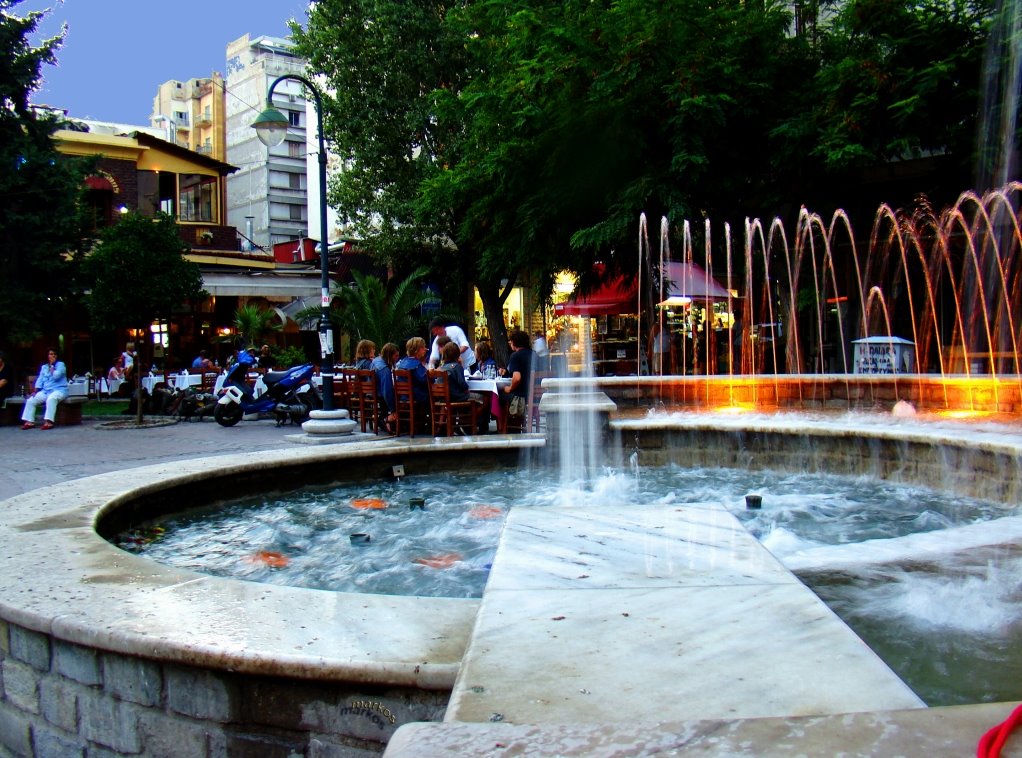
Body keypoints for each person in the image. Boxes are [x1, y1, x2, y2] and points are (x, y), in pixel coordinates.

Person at [439, 341, 487, 432]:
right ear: (457, 354)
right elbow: (463, 385)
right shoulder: (457, 367)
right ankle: (465, 421)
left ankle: (463, 422)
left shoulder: (441, 367)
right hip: (456, 397)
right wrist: (461, 365)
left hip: (442, 398)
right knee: (485, 399)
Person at [21, 348, 68, 430]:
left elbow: (56, 376)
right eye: (50, 354)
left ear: (57, 356)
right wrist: (35, 390)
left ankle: (49, 422)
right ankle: (29, 422)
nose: (52, 356)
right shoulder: (44, 367)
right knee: (31, 400)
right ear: (47, 356)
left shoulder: (61, 365)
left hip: (59, 390)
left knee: (51, 399)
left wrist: (53, 367)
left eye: (54, 354)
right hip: (46, 391)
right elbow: (40, 379)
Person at [501, 329, 535, 420]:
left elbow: (517, 378)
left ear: (514, 342)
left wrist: (509, 388)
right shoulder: (535, 355)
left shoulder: (515, 356)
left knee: (498, 395)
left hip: (522, 396)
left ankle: (505, 427)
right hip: (536, 396)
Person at [371, 342, 400, 432]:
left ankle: (384, 418)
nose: (397, 358)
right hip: (380, 394)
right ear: (389, 355)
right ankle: (387, 419)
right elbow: (387, 391)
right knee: (400, 398)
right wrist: (393, 410)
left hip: (372, 392)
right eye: (395, 356)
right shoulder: (385, 370)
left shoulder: (375, 361)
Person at [395, 336, 430, 404]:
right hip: (417, 397)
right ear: (416, 350)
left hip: (403, 396)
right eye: (422, 347)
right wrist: (433, 375)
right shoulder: (416, 365)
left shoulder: (401, 363)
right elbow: (425, 379)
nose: (425, 349)